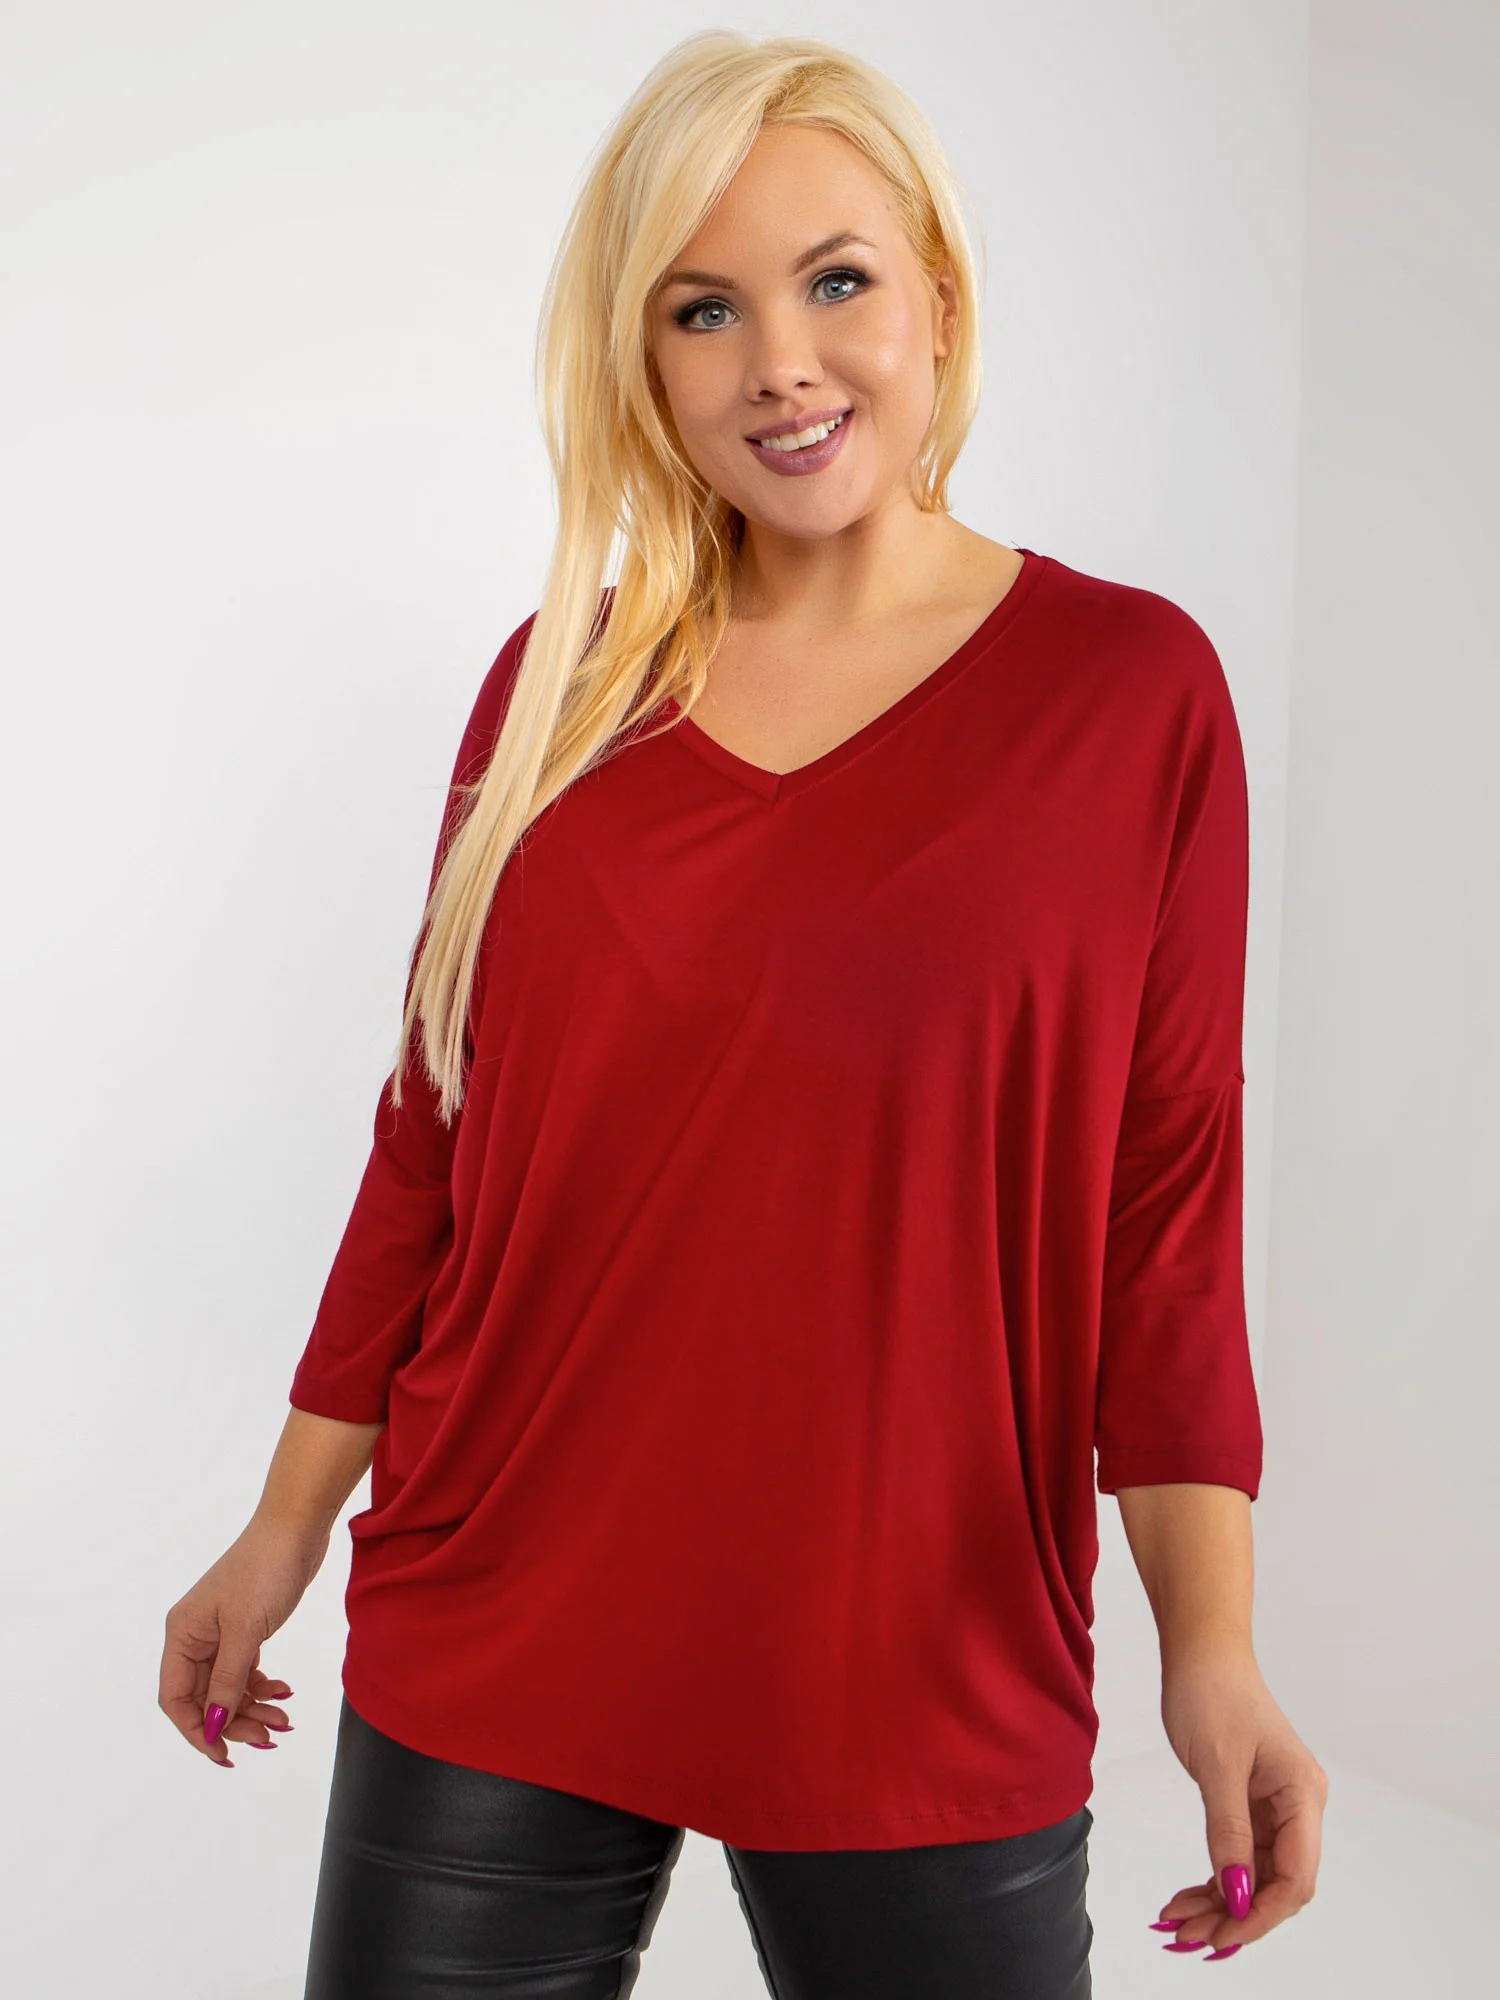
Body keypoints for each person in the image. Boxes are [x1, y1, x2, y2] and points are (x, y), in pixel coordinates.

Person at [158, 29, 1328, 1999]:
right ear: (644, 363)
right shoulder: (559, 689)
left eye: (834, 281)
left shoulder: (1131, 694)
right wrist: (282, 1526)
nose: (780, 360)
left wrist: (1211, 1648)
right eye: (704, 309)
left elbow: (1164, 1217)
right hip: (501, 1614)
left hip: (926, 1655)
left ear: (936, 299)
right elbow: (430, 1148)